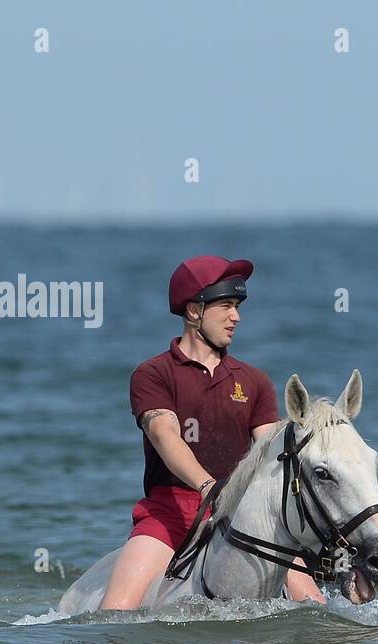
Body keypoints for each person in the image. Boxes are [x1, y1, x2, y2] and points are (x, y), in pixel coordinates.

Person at [100, 255, 323, 609]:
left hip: (241, 515)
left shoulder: (254, 380)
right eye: (226, 306)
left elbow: (271, 450)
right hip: (169, 515)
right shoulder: (153, 374)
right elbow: (164, 435)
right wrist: (208, 486)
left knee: (317, 607)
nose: (237, 317)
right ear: (193, 311)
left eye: (237, 306)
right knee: (114, 611)